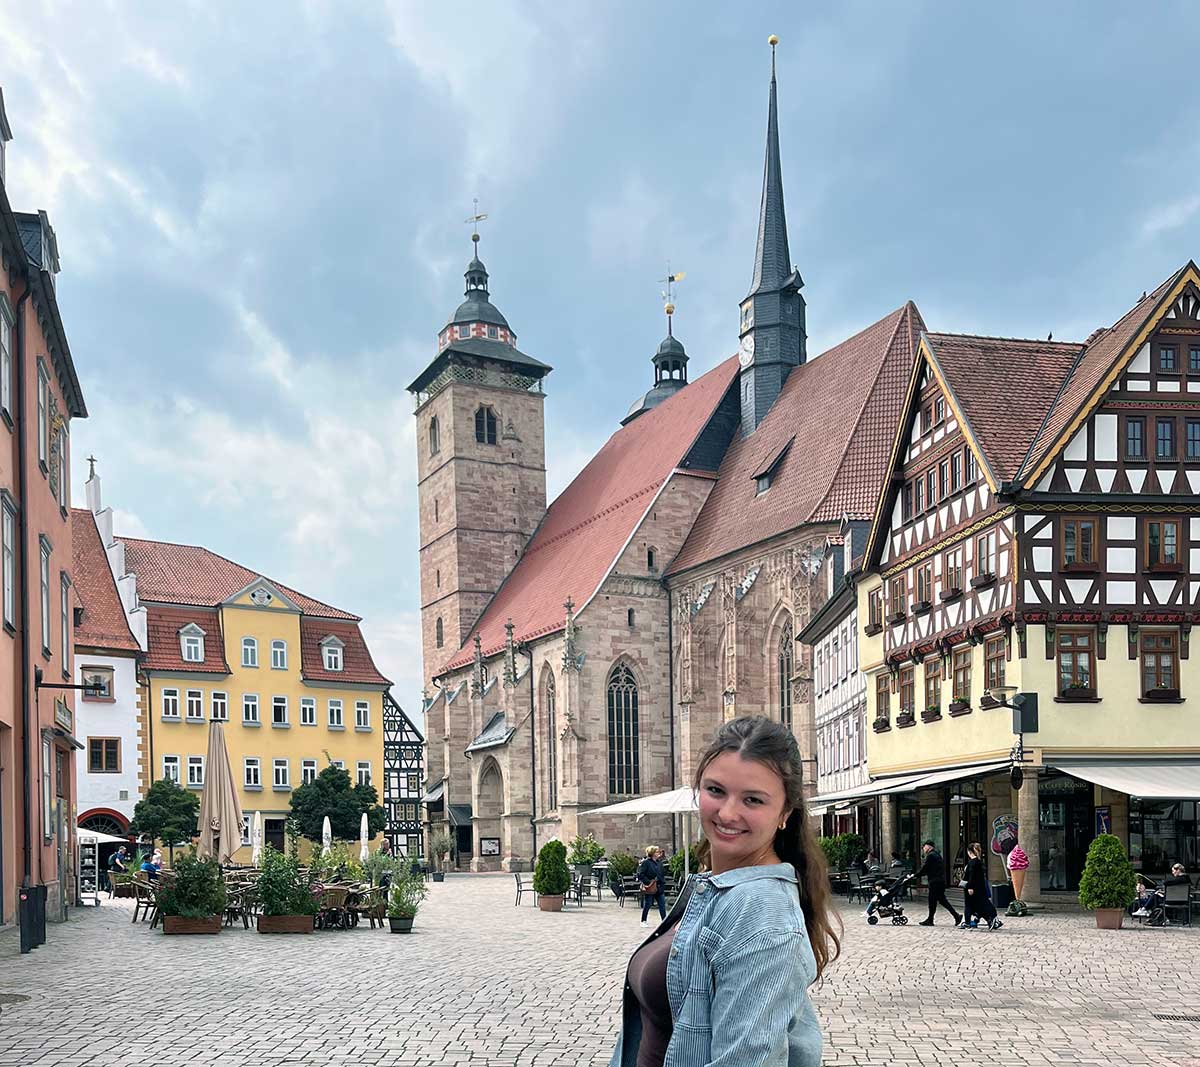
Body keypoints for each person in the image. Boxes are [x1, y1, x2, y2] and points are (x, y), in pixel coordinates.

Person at [611, 715, 839, 1067]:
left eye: (753, 800)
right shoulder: (716, 887)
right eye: (716, 790)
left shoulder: (763, 914)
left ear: (785, 814)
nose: (728, 813)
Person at [915, 840, 961, 927]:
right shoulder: (936, 855)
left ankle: (932, 919)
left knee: (933, 901)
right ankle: (955, 916)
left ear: (928, 846)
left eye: (924, 847)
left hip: (935, 882)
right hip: (939, 881)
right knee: (941, 901)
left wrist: (916, 875)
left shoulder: (931, 855)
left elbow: (925, 868)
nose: (923, 849)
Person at [961, 842, 1002, 931]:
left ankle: (970, 922)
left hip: (973, 888)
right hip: (979, 888)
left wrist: (970, 887)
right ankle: (989, 920)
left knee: (972, 905)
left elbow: (972, 876)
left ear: (969, 852)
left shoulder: (973, 863)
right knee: (977, 906)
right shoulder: (978, 862)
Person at [637, 846, 667, 928]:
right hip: (650, 887)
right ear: (652, 853)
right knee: (648, 904)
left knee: (662, 905)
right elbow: (640, 875)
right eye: (657, 852)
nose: (658, 853)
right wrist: (649, 881)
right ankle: (643, 920)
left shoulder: (659, 862)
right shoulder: (646, 862)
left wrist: (662, 881)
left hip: (659, 886)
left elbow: (662, 874)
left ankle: (664, 922)